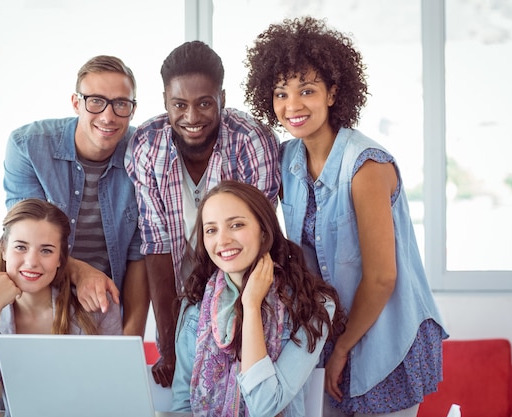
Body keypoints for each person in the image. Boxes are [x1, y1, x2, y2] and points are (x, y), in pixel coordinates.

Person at [244, 16, 448, 416]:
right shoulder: (286, 160)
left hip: (386, 335)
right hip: (328, 336)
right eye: (281, 93)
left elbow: (381, 277)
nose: (293, 106)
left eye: (307, 91)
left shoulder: (366, 166)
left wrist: (341, 349)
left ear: (333, 93)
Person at [125, 41, 281, 386]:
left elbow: (258, 242)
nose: (191, 117)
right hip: (180, 296)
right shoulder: (147, 145)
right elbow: (157, 246)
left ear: (222, 97)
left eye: (204, 103)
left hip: (244, 290)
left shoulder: (250, 140)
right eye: (179, 104)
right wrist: (168, 347)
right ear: (165, 101)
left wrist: (235, 333)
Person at [170, 180, 345, 416]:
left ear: (264, 231)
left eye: (236, 225)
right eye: (211, 230)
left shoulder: (312, 306)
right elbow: (182, 404)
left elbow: (265, 406)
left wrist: (251, 305)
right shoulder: (195, 305)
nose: (222, 241)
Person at [3, 55, 148, 337]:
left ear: (132, 110)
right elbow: (24, 237)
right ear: (76, 103)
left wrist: (131, 342)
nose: (108, 116)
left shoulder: (144, 154)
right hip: (35, 297)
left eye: (121, 103)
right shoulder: (27, 146)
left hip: (102, 306)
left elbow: (139, 255)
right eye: (95, 100)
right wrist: (80, 271)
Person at [0, 199, 122, 417]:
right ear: (4, 250)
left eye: (46, 251)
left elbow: (115, 398)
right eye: (20, 247)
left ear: (60, 259)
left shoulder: (96, 311)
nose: (32, 261)